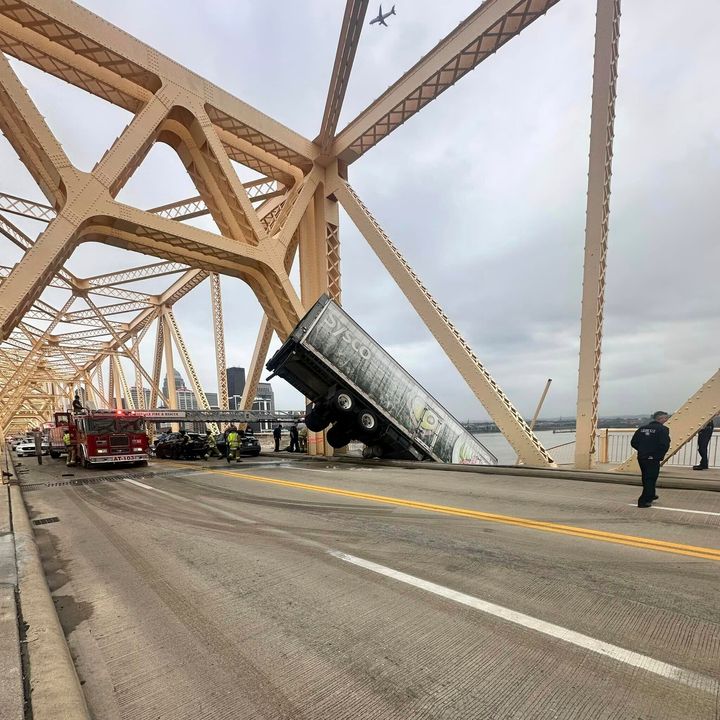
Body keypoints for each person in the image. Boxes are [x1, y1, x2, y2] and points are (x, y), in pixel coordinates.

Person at [630, 411, 670, 508]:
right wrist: (657, 455)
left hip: (642, 457)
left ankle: (651, 494)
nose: (667, 419)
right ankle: (643, 501)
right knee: (651, 478)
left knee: (646, 477)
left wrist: (642, 450)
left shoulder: (642, 428)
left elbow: (634, 442)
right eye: (665, 418)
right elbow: (664, 444)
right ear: (660, 419)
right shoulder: (663, 429)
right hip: (653, 458)